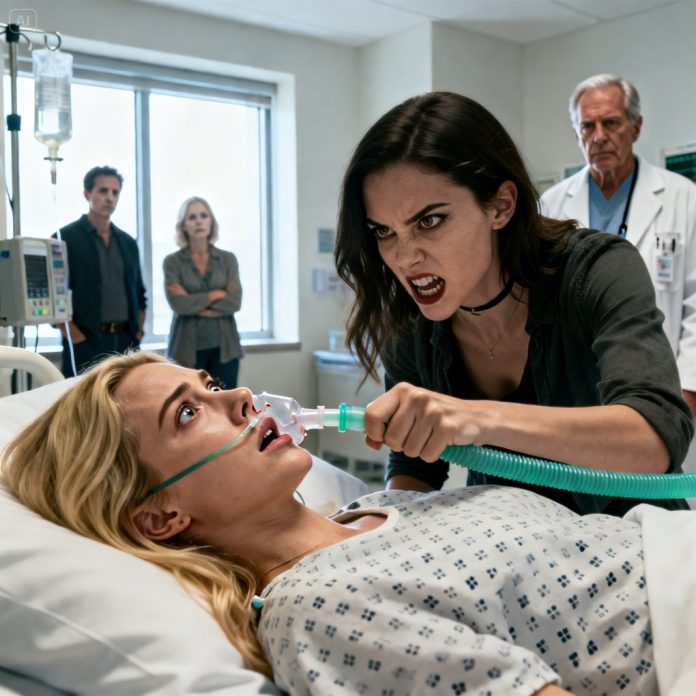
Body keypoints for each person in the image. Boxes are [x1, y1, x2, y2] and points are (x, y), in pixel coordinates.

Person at [1, 350, 688, 695]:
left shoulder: (379, 510)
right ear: (160, 516)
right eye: (187, 413)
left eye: (209, 385)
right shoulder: (315, 608)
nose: (239, 397)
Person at [333, 91, 694, 517]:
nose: (404, 257)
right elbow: (415, 466)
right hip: (518, 544)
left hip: (637, 537)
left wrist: (477, 418)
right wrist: (381, 531)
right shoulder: (411, 320)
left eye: (429, 221)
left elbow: (655, 438)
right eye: (383, 231)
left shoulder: (597, 269)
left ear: (501, 206)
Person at [540, 74, 696, 435]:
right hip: (574, 389)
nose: (598, 136)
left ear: (636, 127)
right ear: (577, 134)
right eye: (587, 126)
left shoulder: (683, 198)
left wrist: (688, 386)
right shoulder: (551, 205)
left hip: (660, 383)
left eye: (610, 123)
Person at [55, 165, 147, 377]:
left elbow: (140, 294)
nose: (110, 198)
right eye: (103, 191)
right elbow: (55, 297)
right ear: (87, 194)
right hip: (85, 342)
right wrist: (75, 336)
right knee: (84, 398)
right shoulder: (64, 238)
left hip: (125, 341)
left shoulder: (128, 242)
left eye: (115, 192)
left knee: (125, 396)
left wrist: (138, 331)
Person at [163, 197, 243, 389]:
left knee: (225, 401)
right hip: (186, 349)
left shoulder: (228, 259)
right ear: (183, 225)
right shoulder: (172, 262)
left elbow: (234, 301)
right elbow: (179, 305)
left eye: (203, 216)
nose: (198, 221)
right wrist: (215, 295)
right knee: (190, 403)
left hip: (225, 348)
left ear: (211, 222)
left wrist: (194, 304)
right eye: (192, 217)